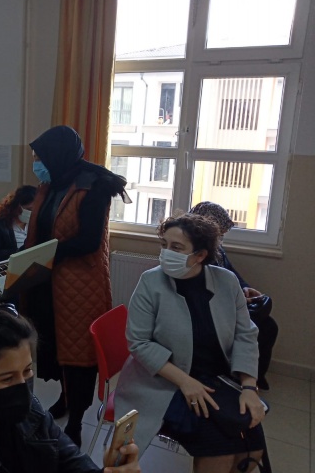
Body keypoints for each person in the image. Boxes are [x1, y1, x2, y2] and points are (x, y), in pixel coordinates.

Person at [114, 213, 266, 472]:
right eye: (164, 245)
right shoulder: (151, 282)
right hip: (165, 383)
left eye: (176, 247)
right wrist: (185, 381)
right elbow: (139, 342)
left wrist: (250, 388)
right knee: (220, 450)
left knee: (252, 449)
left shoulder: (227, 282)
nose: (166, 253)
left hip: (217, 380)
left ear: (200, 255)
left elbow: (245, 334)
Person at [0, 305, 141, 473]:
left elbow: (72, 462)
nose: (22, 387)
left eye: (27, 370)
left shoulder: (32, 413)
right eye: (7, 378)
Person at [21, 125, 128, 447]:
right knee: (55, 346)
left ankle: (77, 421)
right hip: (45, 281)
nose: (36, 163)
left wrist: (46, 253)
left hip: (79, 285)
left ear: (57, 154)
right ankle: (64, 399)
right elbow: (39, 230)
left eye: (40, 157)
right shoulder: (50, 183)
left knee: (78, 356)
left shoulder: (94, 185)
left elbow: (89, 241)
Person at [189, 201, 278, 391]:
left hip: (231, 303)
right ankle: (240, 376)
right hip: (216, 311)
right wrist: (239, 299)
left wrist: (246, 289)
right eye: (219, 232)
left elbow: (233, 275)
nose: (221, 236)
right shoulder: (196, 256)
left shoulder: (218, 250)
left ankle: (255, 375)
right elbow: (206, 291)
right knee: (259, 325)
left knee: (269, 326)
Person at [0, 185, 37, 263]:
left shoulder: (35, 223)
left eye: (36, 209)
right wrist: (22, 250)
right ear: (16, 207)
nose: (33, 213)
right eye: (29, 209)